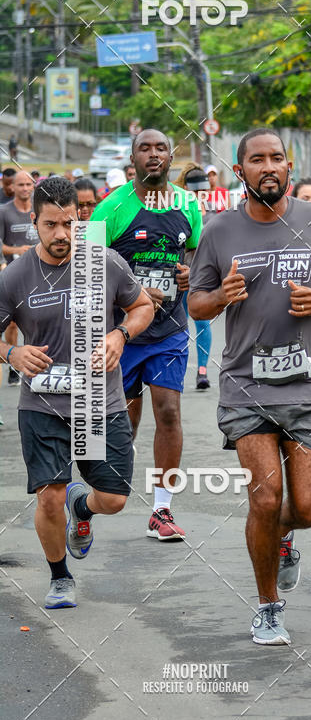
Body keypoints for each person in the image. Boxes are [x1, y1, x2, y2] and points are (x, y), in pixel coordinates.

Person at [188, 127, 311, 645]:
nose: (269, 167)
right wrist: (221, 298)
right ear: (240, 172)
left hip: (307, 387)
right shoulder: (219, 232)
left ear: (288, 166)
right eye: (256, 160)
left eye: (277, 158)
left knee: (304, 508)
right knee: (265, 499)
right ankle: (268, 607)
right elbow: (195, 302)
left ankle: (281, 540)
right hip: (246, 386)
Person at [0, 176, 154, 608]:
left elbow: (142, 306)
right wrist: (12, 353)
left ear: (80, 218)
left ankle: (82, 508)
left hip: (99, 404)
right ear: (35, 222)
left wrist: (120, 335)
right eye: (50, 225)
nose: (62, 234)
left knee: (116, 499)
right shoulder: (15, 277)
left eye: (69, 223)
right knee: (48, 497)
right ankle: (60, 576)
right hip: (42, 405)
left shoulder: (104, 262)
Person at [91, 129, 201, 541]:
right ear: (132, 159)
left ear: (171, 157)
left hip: (170, 329)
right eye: (145, 148)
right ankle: (91, 498)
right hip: (122, 332)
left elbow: (194, 251)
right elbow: (85, 272)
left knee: (169, 412)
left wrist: (191, 273)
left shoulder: (188, 203)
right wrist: (131, 296)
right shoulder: (110, 209)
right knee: (126, 423)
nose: (154, 155)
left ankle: (161, 510)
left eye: (161, 149)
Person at [175, 163, 214, 391]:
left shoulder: (213, 215)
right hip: (179, 276)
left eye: (204, 192)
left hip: (202, 278)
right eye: (196, 192)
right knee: (179, 325)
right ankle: (175, 371)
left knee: (202, 322)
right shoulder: (177, 210)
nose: (200, 197)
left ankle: (202, 370)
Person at [0, 170, 40, 385]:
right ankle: (14, 364)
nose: (25, 188)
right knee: (13, 324)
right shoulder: (4, 212)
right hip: (12, 273)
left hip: (40, 274)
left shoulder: (38, 210)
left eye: (28, 184)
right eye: (21, 185)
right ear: (12, 187)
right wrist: (17, 249)